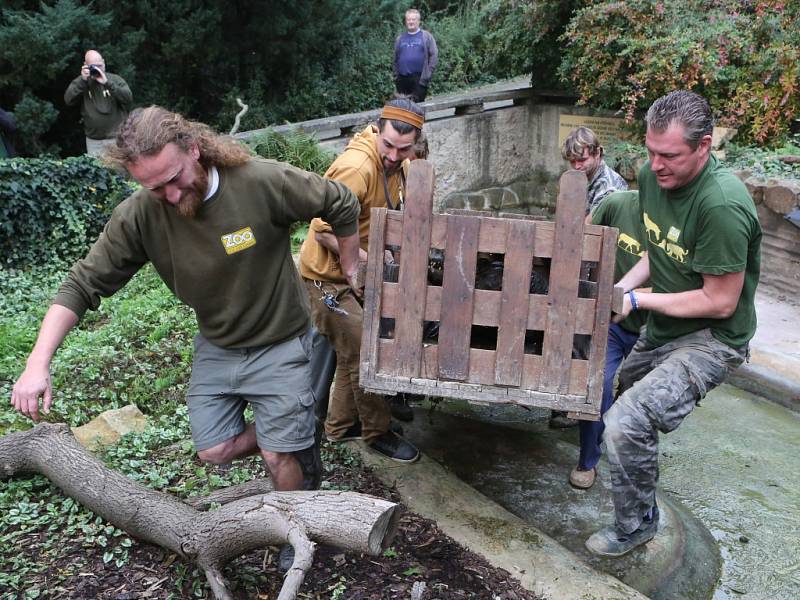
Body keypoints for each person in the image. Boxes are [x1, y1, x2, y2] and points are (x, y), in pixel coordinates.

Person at [11, 106, 361, 498]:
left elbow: (341, 201)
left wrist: (350, 265)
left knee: (278, 455)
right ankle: (296, 427)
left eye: (174, 179)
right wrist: (37, 363)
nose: (172, 196)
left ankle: (294, 521)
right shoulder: (141, 216)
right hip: (219, 343)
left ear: (194, 148)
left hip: (281, 339)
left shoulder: (260, 182)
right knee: (213, 449)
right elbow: (82, 283)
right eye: (155, 188)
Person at [585, 90, 761, 557]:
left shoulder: (722, 205)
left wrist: (640, 298)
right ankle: (642, 482)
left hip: (713, 338)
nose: (656, 165)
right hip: (665, 329)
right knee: (624, 397)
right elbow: (656, 249)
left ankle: (637, 525)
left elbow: (720, 301)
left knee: (624, 421)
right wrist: (622, 289)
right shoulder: (650, 178)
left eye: (670, 155)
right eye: (650, 151)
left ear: (704, 146)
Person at [299, 98, 424, 463]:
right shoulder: (357, 168)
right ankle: (376, 432)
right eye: (388, 145)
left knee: (351, 351)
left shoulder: (400, 165)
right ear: (376, 130)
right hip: (327, 279)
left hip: (355, 276)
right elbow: (321, 231)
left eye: (403, 148)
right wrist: (369, 261)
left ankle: (339, 426)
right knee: (366, 352)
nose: (394, 155)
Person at [569, 190, 647, 489]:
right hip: (612, 321)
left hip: (657, 327)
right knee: (597, 384)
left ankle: (631, 469)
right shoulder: (618, 204)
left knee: (637, 399)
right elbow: (582, 238)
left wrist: (636, 299)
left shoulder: (681, 221)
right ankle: (587, 461)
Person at [64, 49, 132, 156]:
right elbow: (69, 100)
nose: (98, 69)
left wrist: (107, 83)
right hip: (94, 141)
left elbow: (128, 98)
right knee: (97, 171)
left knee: (119, 171)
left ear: (104, 63)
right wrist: (83, 80)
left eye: (100, 66)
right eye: (93, 67)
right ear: (86, 65)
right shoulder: (81, 82)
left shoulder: (115, 79)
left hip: (117, 139)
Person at [562, 126, 628, 214]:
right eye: (572, 161)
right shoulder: (585, 178)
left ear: (597, 153)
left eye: (582, 160)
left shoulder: (607, 185)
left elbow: (590, 226)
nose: (577, 166)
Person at [393, 9, 438, 103]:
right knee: (404, 110)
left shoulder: (426, 36)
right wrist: (396, 76)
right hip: (402, 80)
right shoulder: (400, 38)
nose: (411, 22)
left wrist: (427, 74)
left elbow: (434, 55)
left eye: (413, 19)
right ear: (406, 21)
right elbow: (395, 59)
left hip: (419, 79)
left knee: (418, 110)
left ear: (418, 21)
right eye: (408, 19)